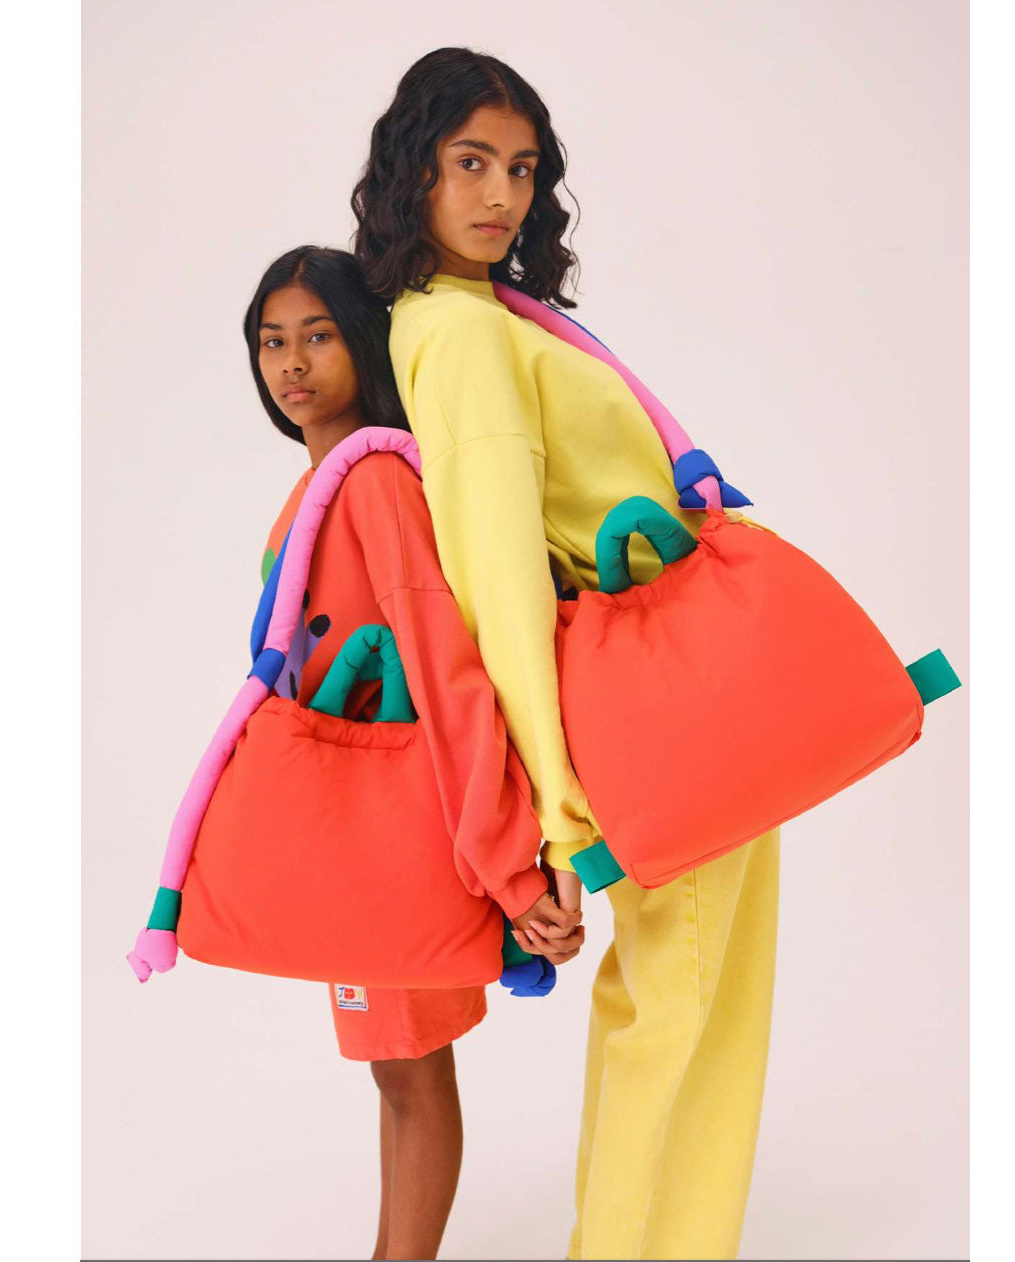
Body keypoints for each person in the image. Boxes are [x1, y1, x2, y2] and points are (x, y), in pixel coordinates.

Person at [352, 49, 781, 1261]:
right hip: (653, 703)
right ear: (414, 173)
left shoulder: (490, 317)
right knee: (674, 1009)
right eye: (469, 162)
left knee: (704, 1006)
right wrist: (552, 817)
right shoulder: (457, 333)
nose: (501, 194)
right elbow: (495, 578)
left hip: (693, 681)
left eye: (522, 168)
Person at [244, 245, 585, 1260]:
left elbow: (445, 668)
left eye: (318, 336)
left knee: (411, 1073)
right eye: (271, 341)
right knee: (395, 1071)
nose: (292, 362)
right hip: (352, 832)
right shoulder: (317, 487)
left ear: (363, 341)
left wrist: (509, 868)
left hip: (401, 828)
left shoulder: (378, 478)